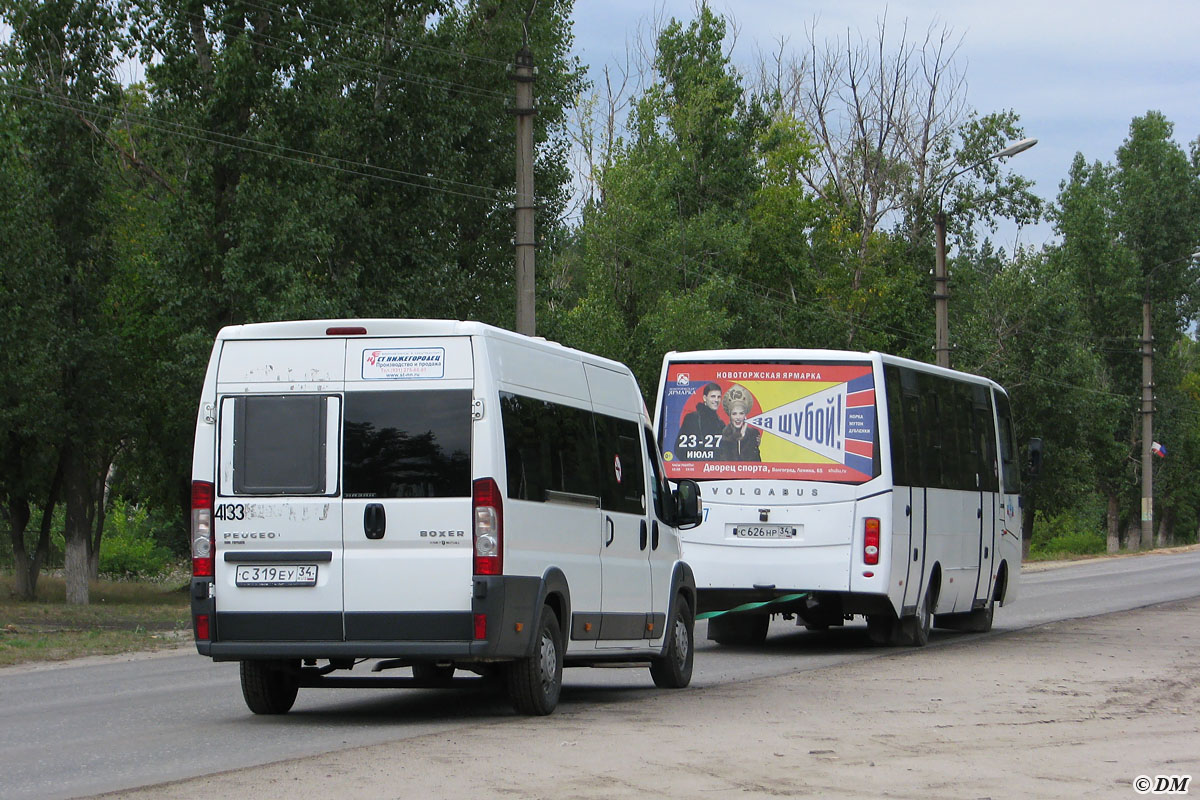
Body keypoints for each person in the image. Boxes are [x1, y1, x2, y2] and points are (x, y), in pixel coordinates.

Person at [718, 385, 761, 462]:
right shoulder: (724, 433)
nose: (738, 417)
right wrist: (740, 436)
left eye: (741, 413)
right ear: (730, 416)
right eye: (734, 414)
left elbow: (756, 463)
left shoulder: (753, 433)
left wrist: (745, 437)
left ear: (745, 415)